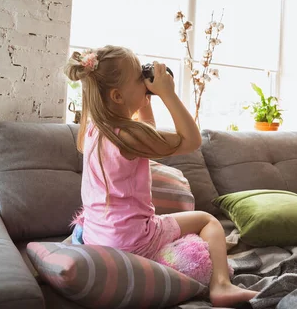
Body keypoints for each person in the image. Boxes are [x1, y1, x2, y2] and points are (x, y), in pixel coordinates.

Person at [63, 45, 257, 307]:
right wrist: (167, 94)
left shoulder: (94, 129)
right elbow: (191, 140)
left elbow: (147, 135)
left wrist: (144, 101)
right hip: (134, 240)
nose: (145, 82)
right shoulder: (130, 136)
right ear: (118, 95)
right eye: (138, 78)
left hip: (101, 238)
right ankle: (222, 286)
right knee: (208, 221)